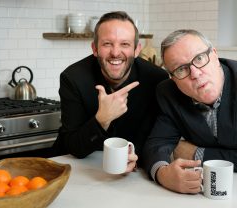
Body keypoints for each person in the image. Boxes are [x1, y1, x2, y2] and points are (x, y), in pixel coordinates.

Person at [143, 29, 237, 193]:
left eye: (199, 58)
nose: (196, 74)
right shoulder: (168, 93)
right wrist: (162, 174)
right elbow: (157, 144)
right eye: (181, 69)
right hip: (217, 188)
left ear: (214, 55)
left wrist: (197, 154)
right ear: (173, 78)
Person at [53, 11, 168, 173]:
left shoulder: (157, 79)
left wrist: (136, 157)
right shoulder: (73, 78)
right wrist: (102, 119)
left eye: (125, 44)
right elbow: (73, 146)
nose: (115, 52)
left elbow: (156, 138)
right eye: (107, 44)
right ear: (95, 48)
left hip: (133, 172)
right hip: (78, 168)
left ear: (136, 50)